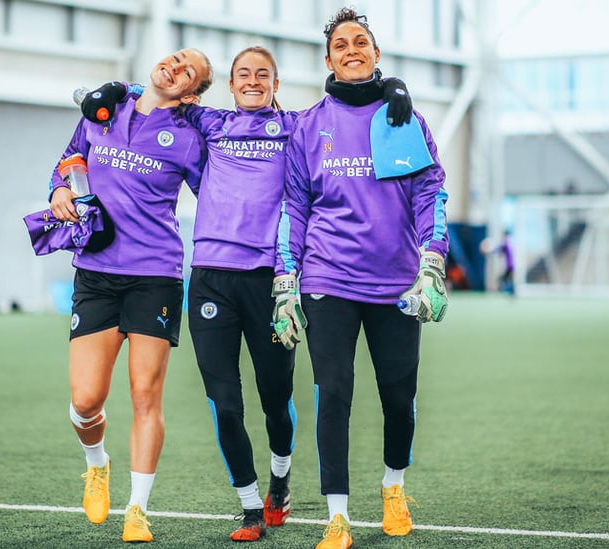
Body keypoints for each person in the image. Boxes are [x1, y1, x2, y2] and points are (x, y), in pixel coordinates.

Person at [79, 47, 414, 543]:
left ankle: (280, 479)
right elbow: (159, 92)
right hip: (211, 278)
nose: (253, 81)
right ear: (230, 87)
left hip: (270, 281)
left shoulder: (298, 127)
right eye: (243, 75)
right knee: (225, 402)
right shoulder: (209, 122)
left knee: (275, 400)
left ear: (275, 84)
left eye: (263, 74)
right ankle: (250, 505)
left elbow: (345, 108)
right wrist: (117, 89)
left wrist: (390, 88)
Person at [271, 7, 449, 549]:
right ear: (328, 59)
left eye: (361, 41)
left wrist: (433, 261)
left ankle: (393, 488)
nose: (352, 49)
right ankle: (338, 516)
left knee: (399, 397)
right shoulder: (306, 126)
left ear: (376, 54)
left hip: (396, 282)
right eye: (341, 43)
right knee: (335, 393)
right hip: (328, 279)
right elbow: (293, 206)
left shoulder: (405, 120)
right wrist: (285, 282)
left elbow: (429, 192)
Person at [47, 47, 212, 544]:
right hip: (96, 273)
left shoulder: (189, 137)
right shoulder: (105, 107)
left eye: (189, 71)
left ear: (193, 92)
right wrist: (59, 189)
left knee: (145, 395)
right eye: (175, 58)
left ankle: (137, 509)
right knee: (86, 399)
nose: (175, 67)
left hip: (155, 275)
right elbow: (69, 161)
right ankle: (97, 464)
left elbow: (219, 197)